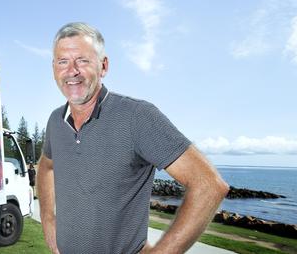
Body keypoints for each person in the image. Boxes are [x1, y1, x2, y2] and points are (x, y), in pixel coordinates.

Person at [37, 22, 229, 254]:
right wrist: (48, 220)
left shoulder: (137, 117)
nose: (72, 71)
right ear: (53, 68)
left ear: (103, 66)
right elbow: (46, 167)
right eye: (63, 61)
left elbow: (209, 185)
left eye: (83, 60)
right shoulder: (55, 120)